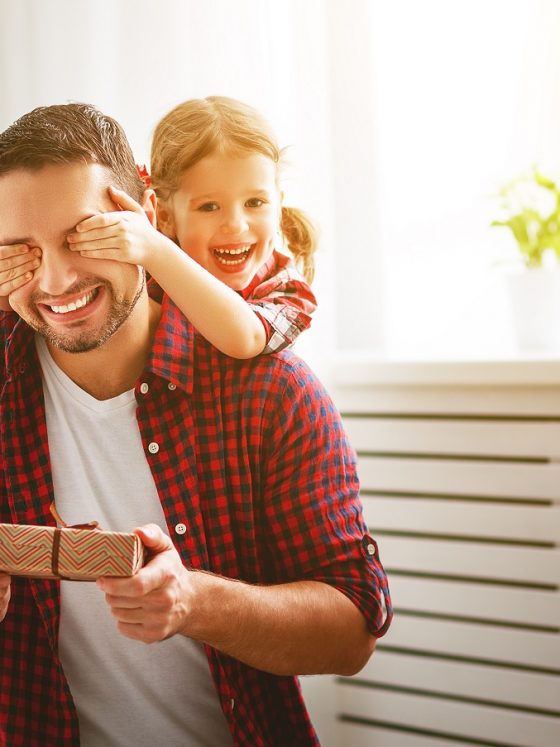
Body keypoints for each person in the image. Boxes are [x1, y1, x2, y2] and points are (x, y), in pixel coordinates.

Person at [0, 103, 392, 747]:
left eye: (84, 236)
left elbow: (352, 632)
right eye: (23, 252)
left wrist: (194, 602)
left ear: (147, 219)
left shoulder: (272, 393)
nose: (58, 278)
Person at [0, 96, 318, 359]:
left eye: (255, 202)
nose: (235, 225)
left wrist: (154, 249)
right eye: (209, 206)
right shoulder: (139, 255)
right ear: (163, 216)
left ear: (278, 201)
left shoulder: (283, 287)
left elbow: (245, 341)